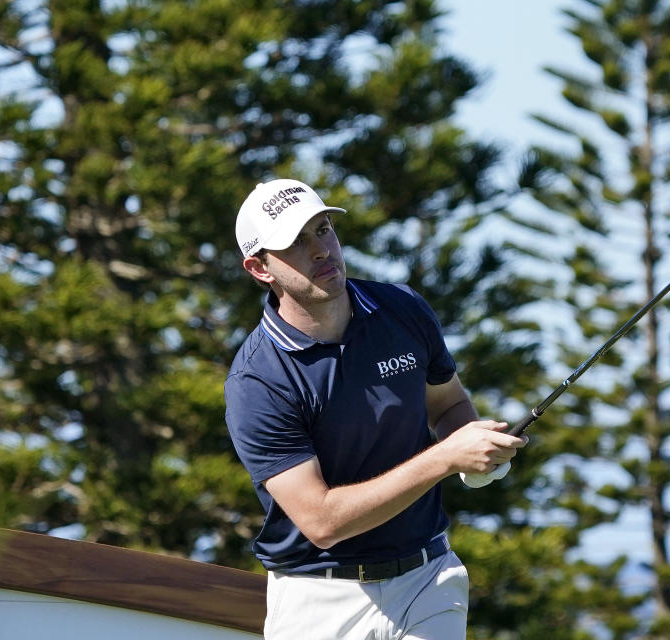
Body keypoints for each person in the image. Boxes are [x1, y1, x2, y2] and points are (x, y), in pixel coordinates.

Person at [224, 178, 528, 639]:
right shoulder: (257, 380)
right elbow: (322, 522)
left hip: (429, 577)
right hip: (319, 600)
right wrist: (446, 458)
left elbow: (447, 404)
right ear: (260, 268)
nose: (322, 250)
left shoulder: (403, 309)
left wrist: (476, 446)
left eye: (323, 229)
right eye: (297, 243)